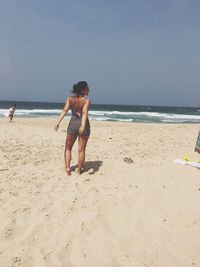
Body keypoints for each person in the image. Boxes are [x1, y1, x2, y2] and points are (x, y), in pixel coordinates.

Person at [54, 81, 91, 175]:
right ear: (82, 90)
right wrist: (82, 125)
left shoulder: (70, 99)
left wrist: (58, 122)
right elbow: (84, 113)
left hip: (73, 124)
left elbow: (65, 110)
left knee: (68, 148)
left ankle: (67, 169)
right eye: (87, 88)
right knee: (81, 150)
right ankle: (78, 170)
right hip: (84, 124)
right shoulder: (86, 100)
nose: (89, 90)